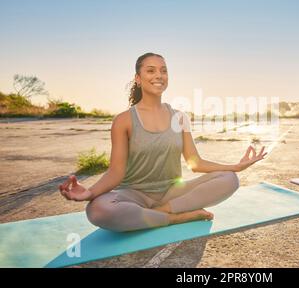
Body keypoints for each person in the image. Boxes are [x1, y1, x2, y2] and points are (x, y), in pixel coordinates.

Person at [59, 52, 267, 231]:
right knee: (97, 210)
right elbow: (116, 172)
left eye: (164, 70)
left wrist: (236, 167)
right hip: (134, 194)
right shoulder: (123, 121)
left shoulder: (179, 117)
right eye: (151, 70)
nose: (159, 75)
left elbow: (195, 163)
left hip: (172, 191)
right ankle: (176, 217)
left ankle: (163, 211)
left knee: (229, 179)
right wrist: (89, 193)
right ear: (138, 78)